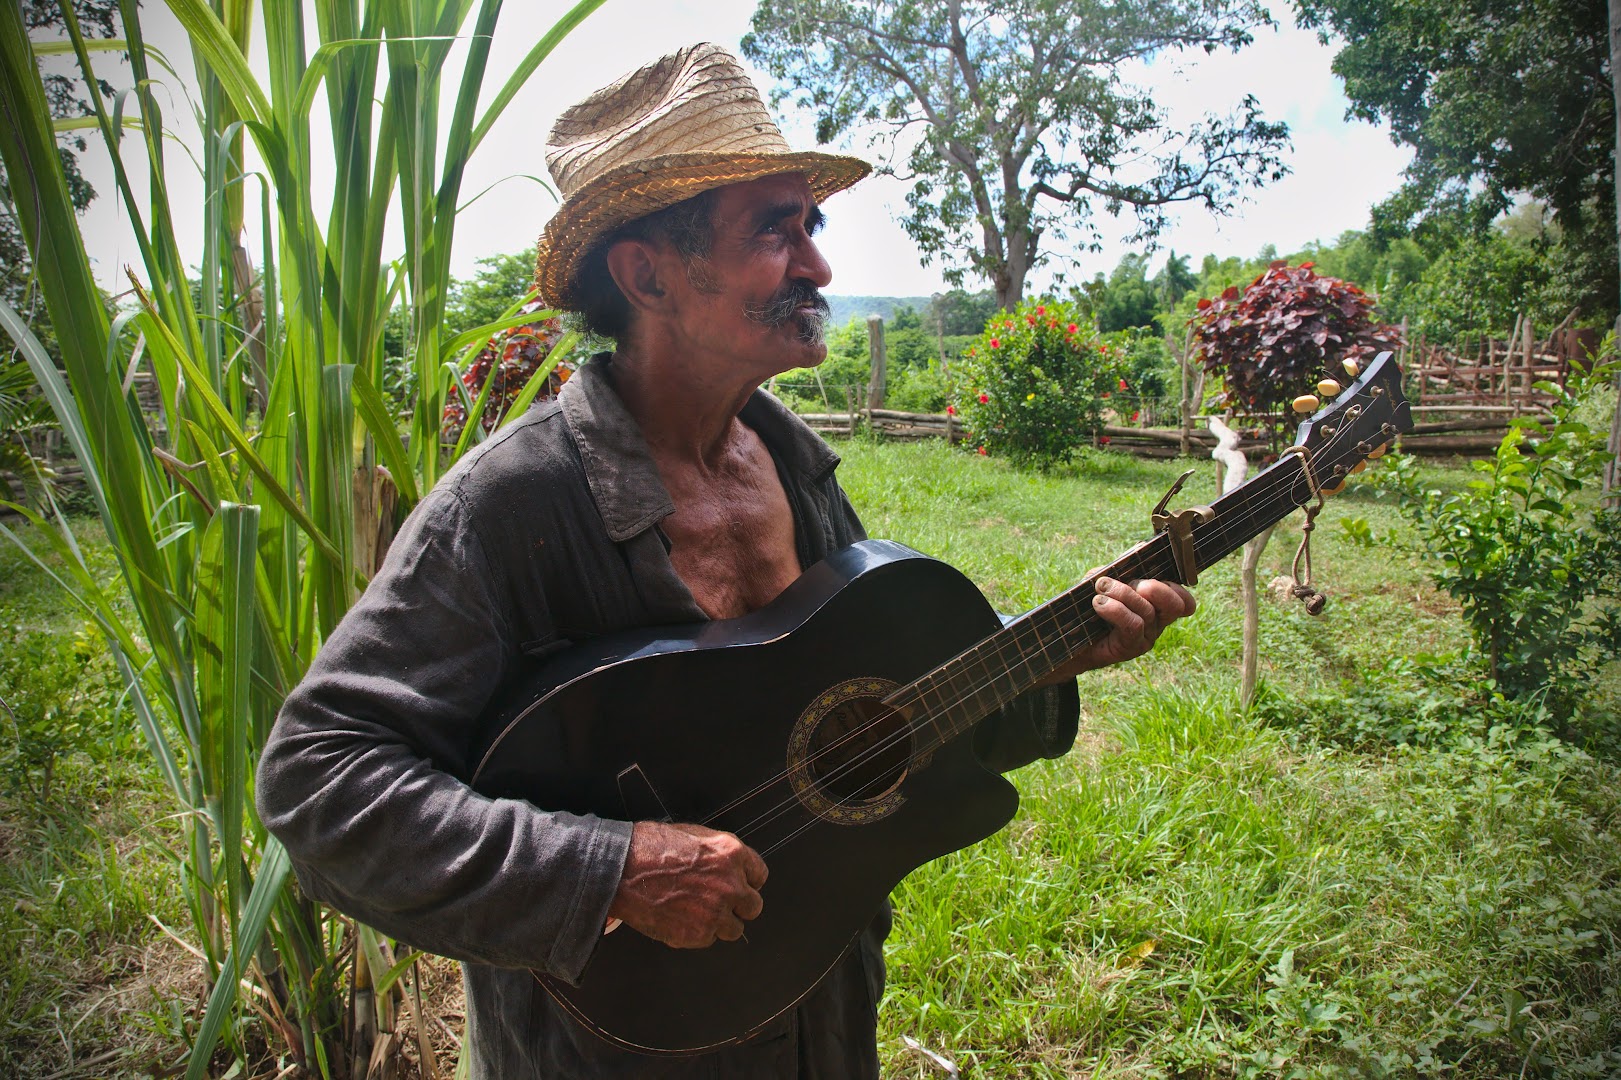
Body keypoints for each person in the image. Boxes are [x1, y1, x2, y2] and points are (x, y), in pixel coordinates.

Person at [256, 43, 1195, 1078]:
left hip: (816, 1012)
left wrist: (1048, 661)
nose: (819, 266)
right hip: (601, 1047)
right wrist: (610, 870)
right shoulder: (511, 506)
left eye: (812, 225)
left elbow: (858, 735)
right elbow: (317, 784)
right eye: (772, 231)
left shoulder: (792, 469)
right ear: (646, 272)